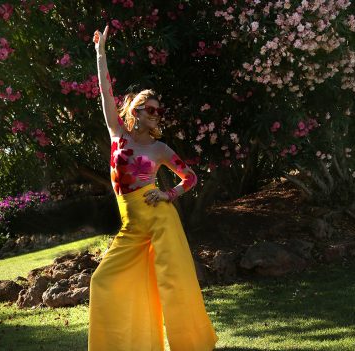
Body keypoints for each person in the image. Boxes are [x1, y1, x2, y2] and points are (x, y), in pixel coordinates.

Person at [88, 25, 219, 351]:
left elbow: (190, 177)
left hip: (160, 219)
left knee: (174, 288)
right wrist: (100, 54)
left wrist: (168, 193)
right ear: (136, 110)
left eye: (158, 110)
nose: (156, 114)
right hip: (132, 226)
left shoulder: (160, 149)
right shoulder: (117, 133)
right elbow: (105, 92)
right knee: (101, 280)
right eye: (150, 108)